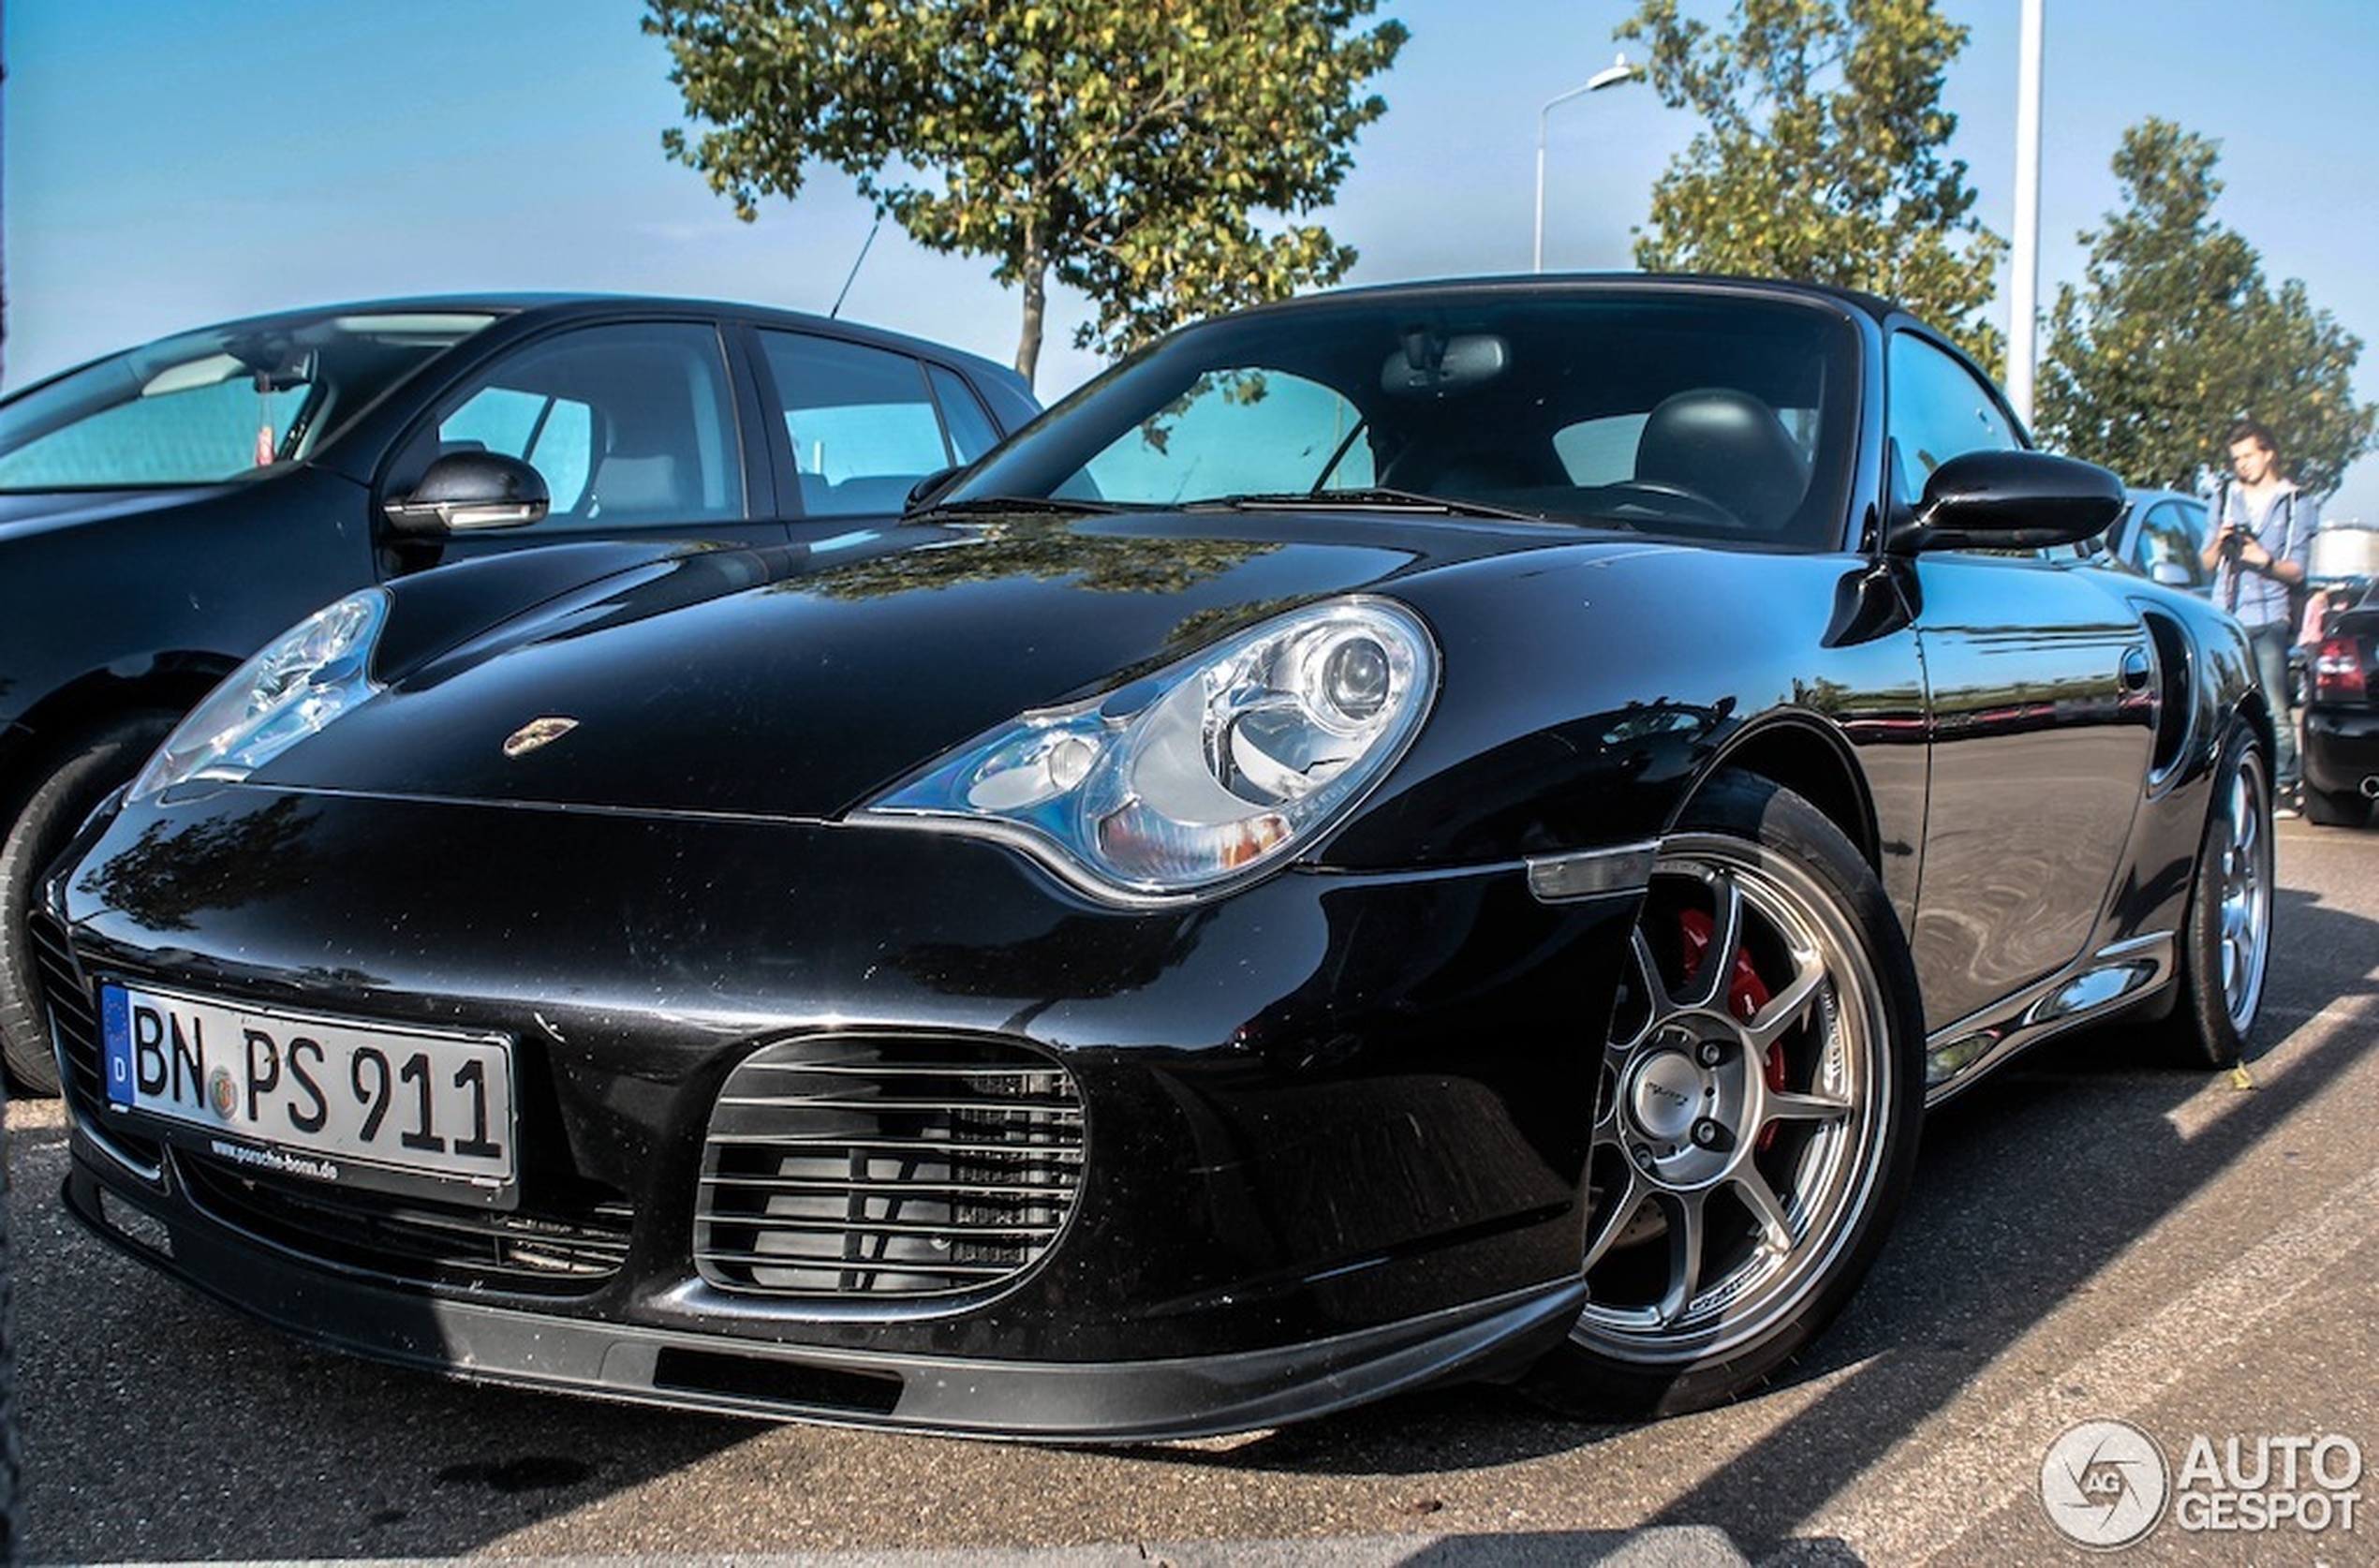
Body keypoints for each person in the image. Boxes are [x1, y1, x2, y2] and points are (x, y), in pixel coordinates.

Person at [2202, 419, 2318, 816]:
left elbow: (2298, 570)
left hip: (2269, 614)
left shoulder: (2295, 502)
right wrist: (2220, 541)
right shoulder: (2223, 497)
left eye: (2249, 456)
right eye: (2236, 459)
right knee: (2221, 705)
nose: (2242, 465)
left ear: (2268, 453)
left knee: (2273, 706)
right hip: (2226, 613)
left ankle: (2284, 786)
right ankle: (2225, 783)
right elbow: (2205, 562)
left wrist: (2262, 559)